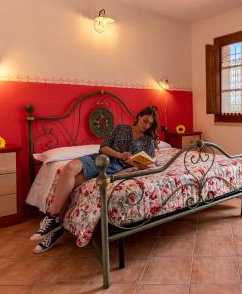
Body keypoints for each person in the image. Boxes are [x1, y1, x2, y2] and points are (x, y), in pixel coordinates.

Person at [30, 106, 159, 253]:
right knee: (69, 168)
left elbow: (149, 161)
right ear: (138, 116)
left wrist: (141, 165)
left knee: (72, 184)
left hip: (115, 167)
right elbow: (103, 147)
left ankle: (54, 226)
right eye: (145, 121)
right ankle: (52, 218)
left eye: (150, 124)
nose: (146, 125)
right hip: (102, 158)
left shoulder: (148, 140)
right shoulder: (121, 128)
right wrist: (120, 154)